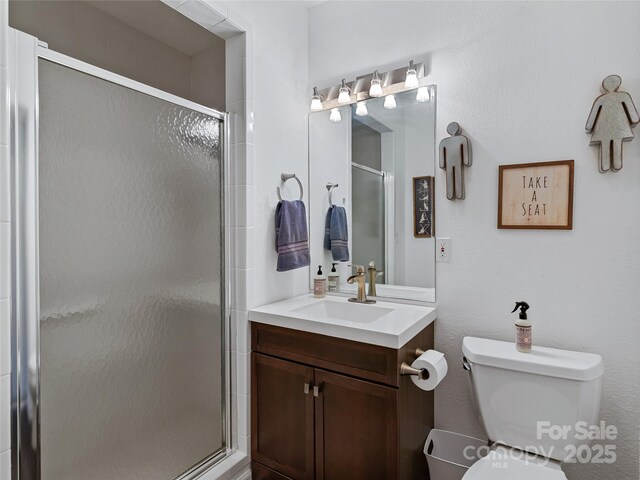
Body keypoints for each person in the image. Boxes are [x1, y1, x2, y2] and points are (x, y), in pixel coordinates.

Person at [585, 75, 639, 172]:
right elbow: (634, 116)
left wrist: (589, 126)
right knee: (617, 143)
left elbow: (592, 118)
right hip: (619, 126)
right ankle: (616, 164)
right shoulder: (623, 96)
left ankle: (606, 165)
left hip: (604, 127)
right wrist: (634, 118)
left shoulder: (601, 99)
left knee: (606, 144)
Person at [439, 122, 471, 199]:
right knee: (457, 175)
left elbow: (441, 160)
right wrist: (465, 161)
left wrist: (442, 164)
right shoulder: (461, 139)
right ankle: (458, 194)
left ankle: (451, 195)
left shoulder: (443, 142)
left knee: (450, 177)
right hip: (456, 162)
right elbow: (466, 155)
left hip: (450, 163)